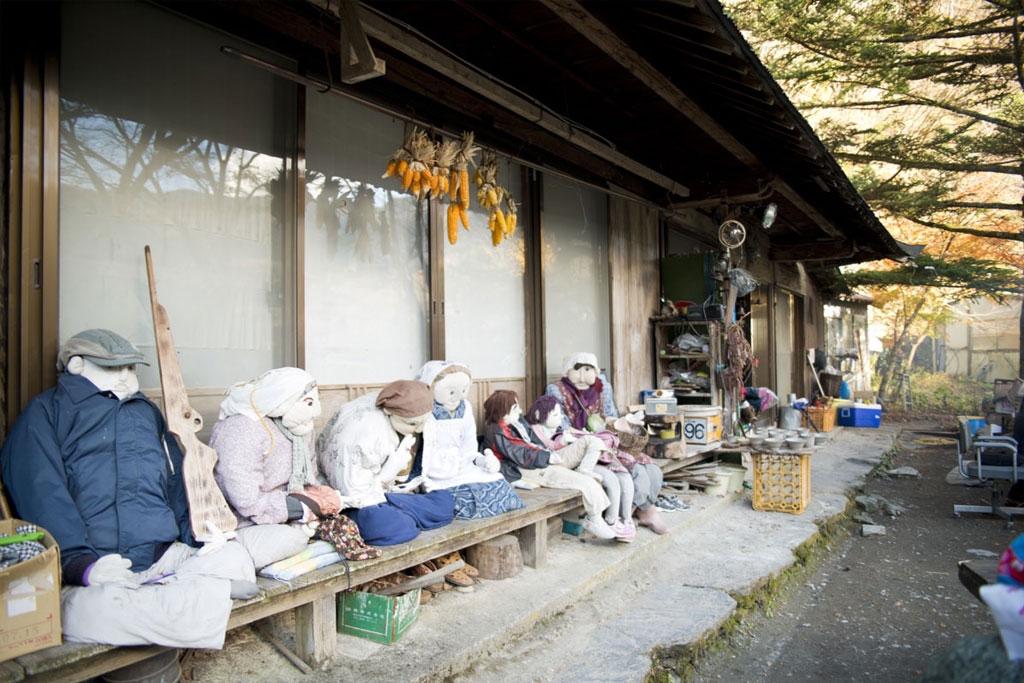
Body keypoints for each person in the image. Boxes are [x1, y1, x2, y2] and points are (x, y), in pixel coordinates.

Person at [0, 329, 256, 649]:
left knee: (235, 558)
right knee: (92, 613)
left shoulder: (147, 412)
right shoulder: (45, 413)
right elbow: (42, 494)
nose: (124, 377)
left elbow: (177, 479)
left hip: (161, 555)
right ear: (77, 365)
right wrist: (79, 565)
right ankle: (199, 597)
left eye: (131, 368)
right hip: (98, 566)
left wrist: (198, 534)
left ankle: (182, 594)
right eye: (111, 368)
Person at [209, 367, 340, 570]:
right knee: (291, 539)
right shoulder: (241, 428)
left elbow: (310, 476)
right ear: (283, 399)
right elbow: (245, 500)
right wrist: (298, 509)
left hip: (288, 512)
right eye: (309, 403)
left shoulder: (301, 428)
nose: (316, 411)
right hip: (242, 523)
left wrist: (317, 499)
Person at [317, 379, 455, 546]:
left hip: (393, 496)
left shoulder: (416, 420)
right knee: (393, 526)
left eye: (424, 421)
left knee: (445, 502)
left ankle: (406, 516)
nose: (419, 428)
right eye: (412, 423)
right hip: (354, 504)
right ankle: (405, 518)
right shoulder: (361, 433)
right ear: (390, 412)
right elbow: (355, 494)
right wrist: (386, 475)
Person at [545, 352, 669, 534]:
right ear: (567, 371)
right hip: (579, 447)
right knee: (635, 472)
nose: (582, 376)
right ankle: (632, 514)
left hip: (608, 440)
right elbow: (560, 428)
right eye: (577, 370)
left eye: (588, 370)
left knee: (651, 469)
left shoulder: (602, 387)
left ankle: (643, 511)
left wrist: (619, 424)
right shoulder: (556, 390)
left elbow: (610, 413)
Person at [481, 389, 616, 540]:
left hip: (544, 457)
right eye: (514, 408)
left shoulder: (517, 422)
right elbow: (519, 455)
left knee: (592, 441)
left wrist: (551, 451)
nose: (520, 410)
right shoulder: (496, 431)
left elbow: (536, 443)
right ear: (502, 412)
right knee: (587, 483)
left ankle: (584, 469)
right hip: (530, 468)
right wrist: (547, 457)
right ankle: (594, 519)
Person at [410, 361, 524, 518]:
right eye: (451, 392)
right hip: (437, 468)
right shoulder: (425, 411)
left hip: (463, 463)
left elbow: (469, 447)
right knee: (453, 497)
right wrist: (448, 465)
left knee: (498, 482)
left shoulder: (465, 407)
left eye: (463, 391)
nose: (457, 398)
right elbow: (424, 454)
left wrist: (481, 460)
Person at [526, 395, 636, 542]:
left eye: (560, 414)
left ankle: (626, 519)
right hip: (573, 465)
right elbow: (546, 452)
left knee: (624, 476)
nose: (560, 418)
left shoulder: (562, 428)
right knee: (610, 479)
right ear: (539, 415)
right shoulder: (535, 431)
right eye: (555, 415)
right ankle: (612, 520)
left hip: (591, 458)